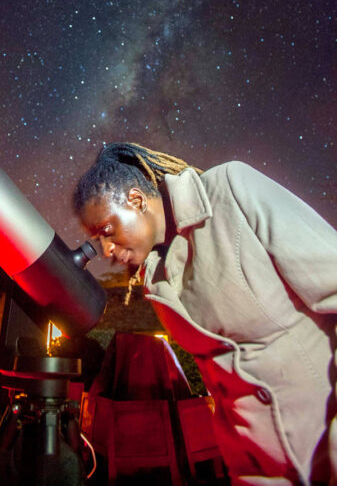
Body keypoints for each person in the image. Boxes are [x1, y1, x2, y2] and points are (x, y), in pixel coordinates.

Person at [72, 142, 337, 486]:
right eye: (95, 239)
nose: (105, 250)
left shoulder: (232, 190)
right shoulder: (155, 275)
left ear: (136, 200)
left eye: (106, 231)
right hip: (256, 469)